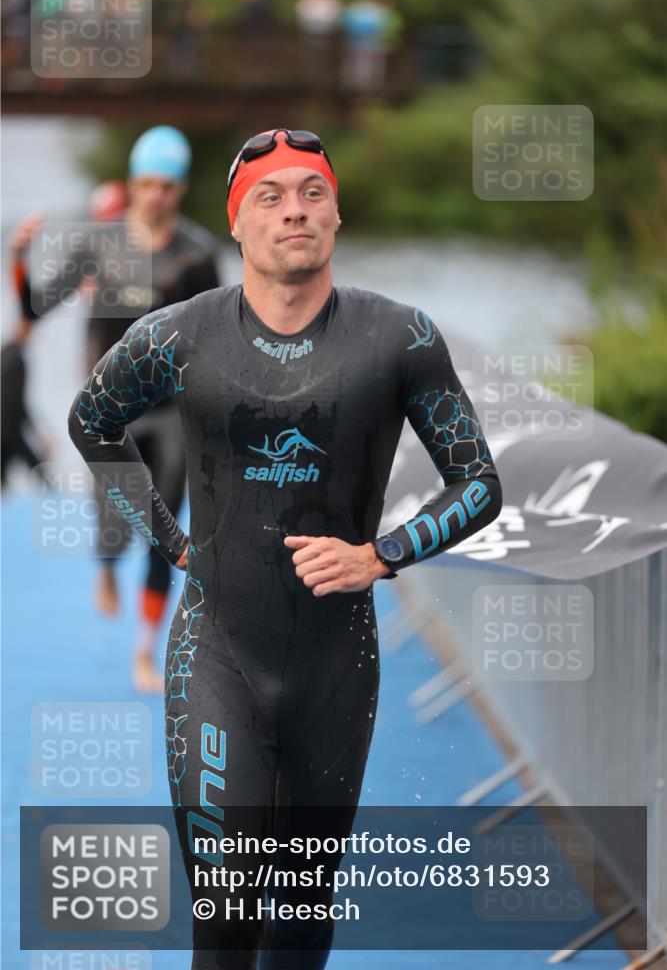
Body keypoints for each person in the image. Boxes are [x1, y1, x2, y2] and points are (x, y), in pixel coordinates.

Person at [67, 127, 503, 968]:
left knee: (299, 931)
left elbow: (478, 484)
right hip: (217, 655)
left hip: (335, 668)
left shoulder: (399, 338)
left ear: (335, 213)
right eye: (269, 196)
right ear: (236, 224)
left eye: (311, 191)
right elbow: (91, 422)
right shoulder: (178, 336)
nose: (293, 209)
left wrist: (380, 555)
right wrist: (167, 537)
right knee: (226, 915)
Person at [10, 125, 221, 692]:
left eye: (167, 186)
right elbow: (35, 311)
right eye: (147, 183)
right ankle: (105, 568)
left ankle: (145, 651)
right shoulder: (98, 243)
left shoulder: (197, 254)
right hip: (109, 413)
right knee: (114, 528)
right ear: (133, 183)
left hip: (174, 410)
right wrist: (19, 258)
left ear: (180, 189)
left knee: (168, 530)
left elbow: (221, 339)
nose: (156, 195)